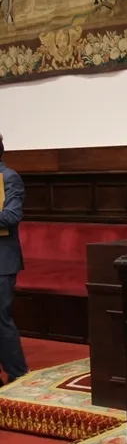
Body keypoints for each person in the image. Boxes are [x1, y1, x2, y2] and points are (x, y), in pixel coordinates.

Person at [0, 133, 29, 386]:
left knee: (1, 317)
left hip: (2, 261)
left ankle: (17, 374)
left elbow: (10, 217)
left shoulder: (10, 178)